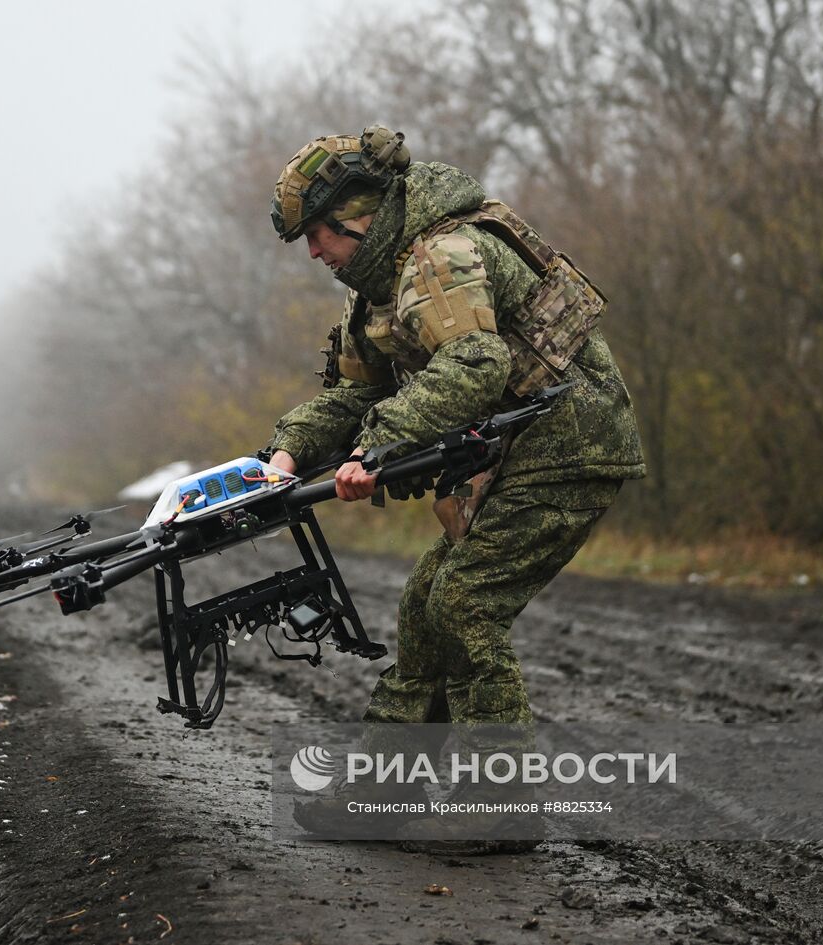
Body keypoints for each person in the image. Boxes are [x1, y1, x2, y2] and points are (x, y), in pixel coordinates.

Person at [264, 125, 646, 855]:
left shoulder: (444, 255)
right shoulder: (375, 289)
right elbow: (350, 395)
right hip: (514, 451)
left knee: (465, 601)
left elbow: (474, 364)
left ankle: (500, 805)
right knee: (424, 604)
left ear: (359, 213)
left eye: (317, 235)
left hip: (572, 440)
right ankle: (381, 795)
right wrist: (283, 457)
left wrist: (380, 444)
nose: (314, 253)